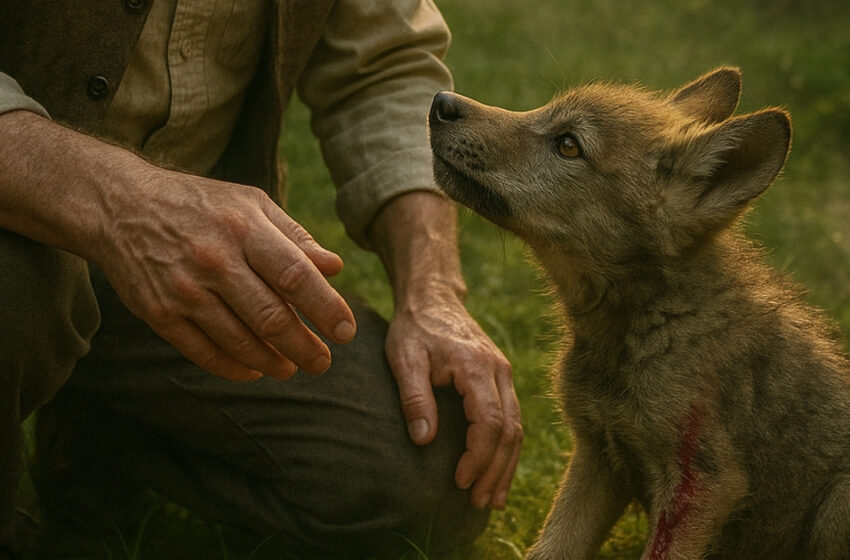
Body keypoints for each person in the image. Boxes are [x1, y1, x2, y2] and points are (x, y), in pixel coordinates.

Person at [0, 1, 523, 558]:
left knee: (433, 471)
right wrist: (127, 205)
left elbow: (384, 69)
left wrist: (431, 290)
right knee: (17, 294)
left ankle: (106, 424)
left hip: (199, 262)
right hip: (20, 220)